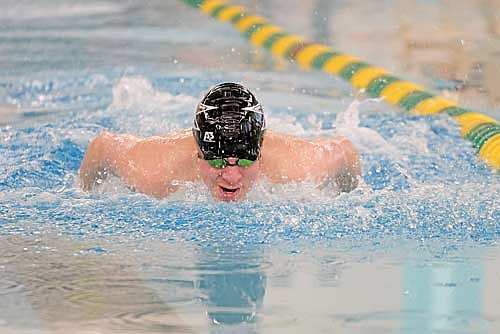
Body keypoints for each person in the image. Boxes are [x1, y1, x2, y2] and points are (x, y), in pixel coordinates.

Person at [78, 82, 361, 201]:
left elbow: (345, 151)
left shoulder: (298, 166)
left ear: (260, 153)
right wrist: (84, 194)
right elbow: (103, 146)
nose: (231, 177)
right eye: (216, 161)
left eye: (245, 161)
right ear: (198, 152)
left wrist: (350, 197)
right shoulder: (153, 171)